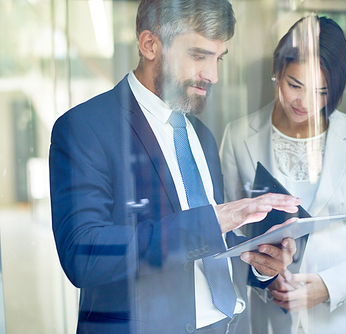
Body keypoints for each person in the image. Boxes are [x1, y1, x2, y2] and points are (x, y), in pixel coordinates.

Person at [48, 1, 301, 333]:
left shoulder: (202, 137)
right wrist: (211, 221)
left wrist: (262, 264)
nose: (212, 75)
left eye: (218, 58)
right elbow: (84, 257)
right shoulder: (85, 127)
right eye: (199, 56)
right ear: (150, 45)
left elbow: (209, 251)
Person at [220, 15, 346, 334]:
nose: (305, 103)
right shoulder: (238, 137)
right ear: (276, 72)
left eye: (321, 92)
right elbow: (225, 236)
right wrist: (264, 276)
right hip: (270, 320)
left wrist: (328, 286)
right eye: (295, 85)